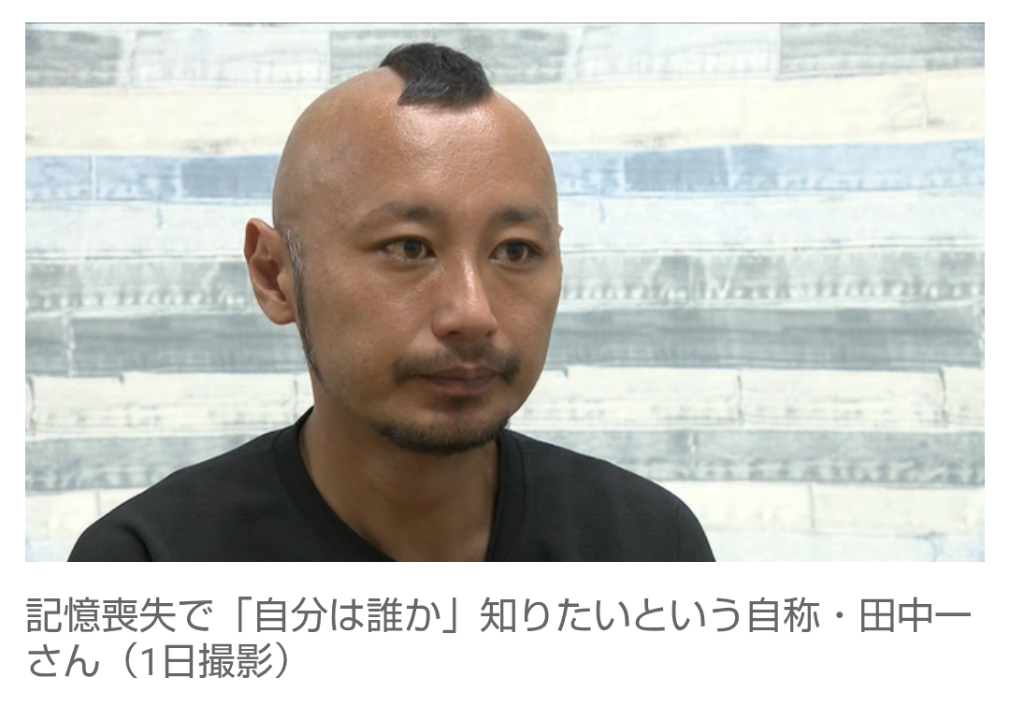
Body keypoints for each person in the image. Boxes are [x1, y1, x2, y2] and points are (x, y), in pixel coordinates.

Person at [69, 43, 714, 562]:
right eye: (409, 248)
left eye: (515, 251)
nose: (473, 314)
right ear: (274, 275)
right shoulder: (149, 565)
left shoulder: (650, 548)